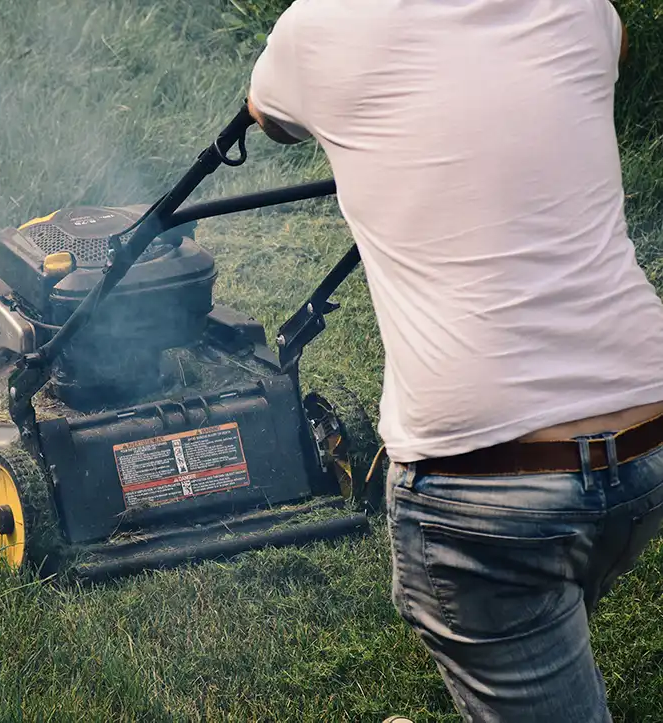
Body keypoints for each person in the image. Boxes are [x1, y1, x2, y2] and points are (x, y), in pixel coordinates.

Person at [245, 1, 663, 721]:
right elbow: (618, 45)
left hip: (484, 493)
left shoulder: (319, 28)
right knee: (542, 612)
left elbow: (268, 115)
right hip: (645, 450)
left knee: (519, 602)